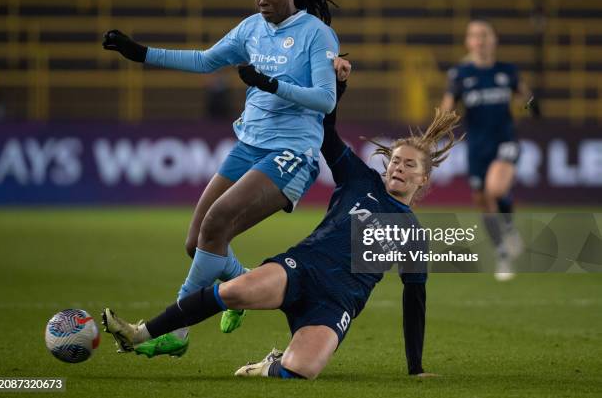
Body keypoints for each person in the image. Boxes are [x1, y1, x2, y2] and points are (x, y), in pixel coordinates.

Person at [102, 84, 462, 378]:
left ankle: (270, 365)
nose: (398, 167)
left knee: (301, 370)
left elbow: (414, 300)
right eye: (395, 160)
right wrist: (337, 86)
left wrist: (415, 369)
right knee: (233, 293)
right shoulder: (358, 179)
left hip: (336, 304)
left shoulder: (412, 233)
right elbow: (328, 132)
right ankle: (142, 332)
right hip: (301, 269)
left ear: (423, 178)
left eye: (409, 164)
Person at [102, 0, 342, 356]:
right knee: (197, 243)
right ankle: (241, 282)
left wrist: (269, 83)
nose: (262, 1)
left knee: (217, 224)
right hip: (248, 144)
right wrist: (140, 53)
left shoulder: (316, 35)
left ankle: (172, 330)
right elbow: (204, 60)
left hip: (291, 151)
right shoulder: (251, 28)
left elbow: (324, 99)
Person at [440, 18, 540, 281]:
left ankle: (507, 229)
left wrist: (530, 106)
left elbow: (527, 98)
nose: (481, 40)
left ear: (494, 40)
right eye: (475, 35)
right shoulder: (460, 75)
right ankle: (502, 253)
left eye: (485, 35)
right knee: (483, 201)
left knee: (495, 189)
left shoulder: (507, 71)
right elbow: (447, 108)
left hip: (505, 141)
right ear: (468, 42)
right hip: (477, 146)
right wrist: (441, 125)